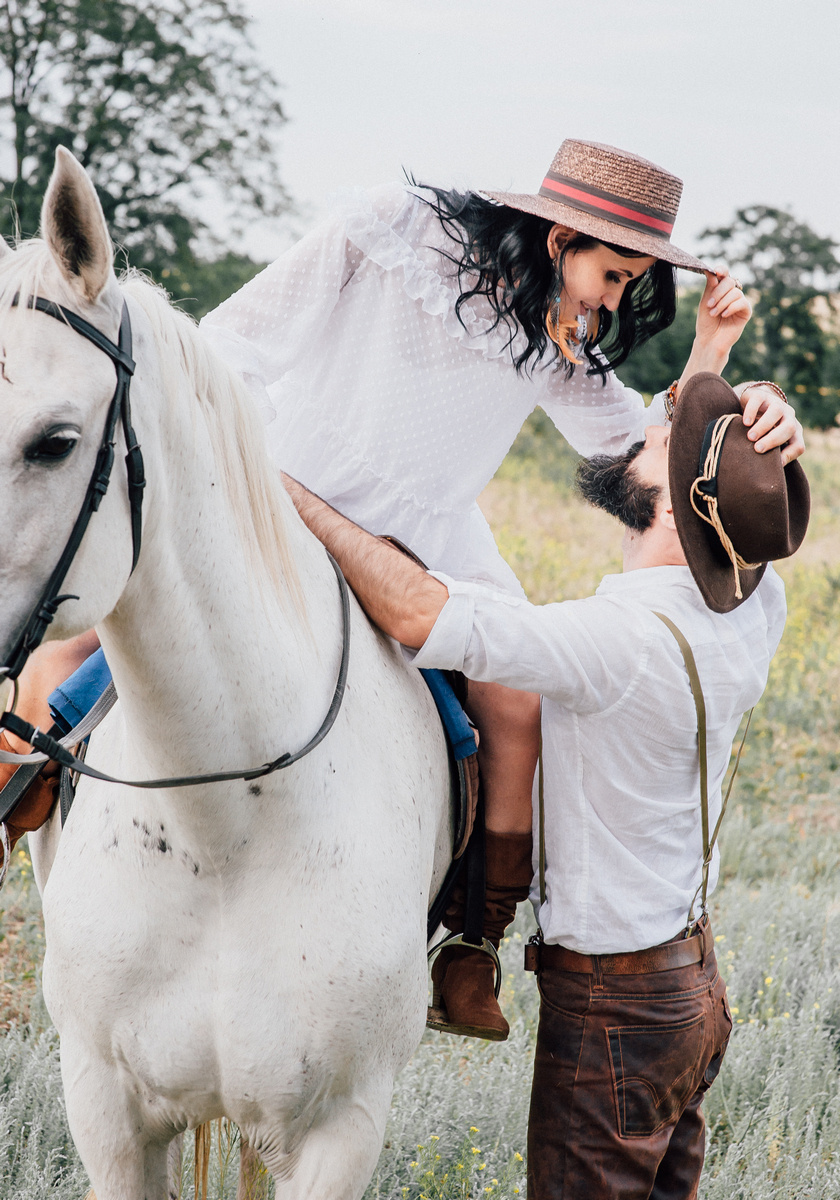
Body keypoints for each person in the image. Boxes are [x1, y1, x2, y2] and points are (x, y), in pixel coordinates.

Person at [0, 139, 803, 1041]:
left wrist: (722, 366)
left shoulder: (557, 343)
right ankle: (30, 769)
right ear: (557, 240)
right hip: (291, 480)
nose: (614, 299)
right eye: (612, 274)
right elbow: (236, 341)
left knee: (515, 707)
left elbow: (637, 449)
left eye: (629, 282)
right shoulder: (385, 230)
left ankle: (473, 941)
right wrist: (234, 471)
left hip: (432, 537)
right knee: (105, 624)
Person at [277, 371, 809, 1199]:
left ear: (672, 506)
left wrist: (288, 495)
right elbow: (747, 514)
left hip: (618, 1009)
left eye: (656, 446)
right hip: (690, 993)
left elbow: (423, 614)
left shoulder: (618, 641)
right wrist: (763, 412)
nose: (637, 438)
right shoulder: (752, 609)